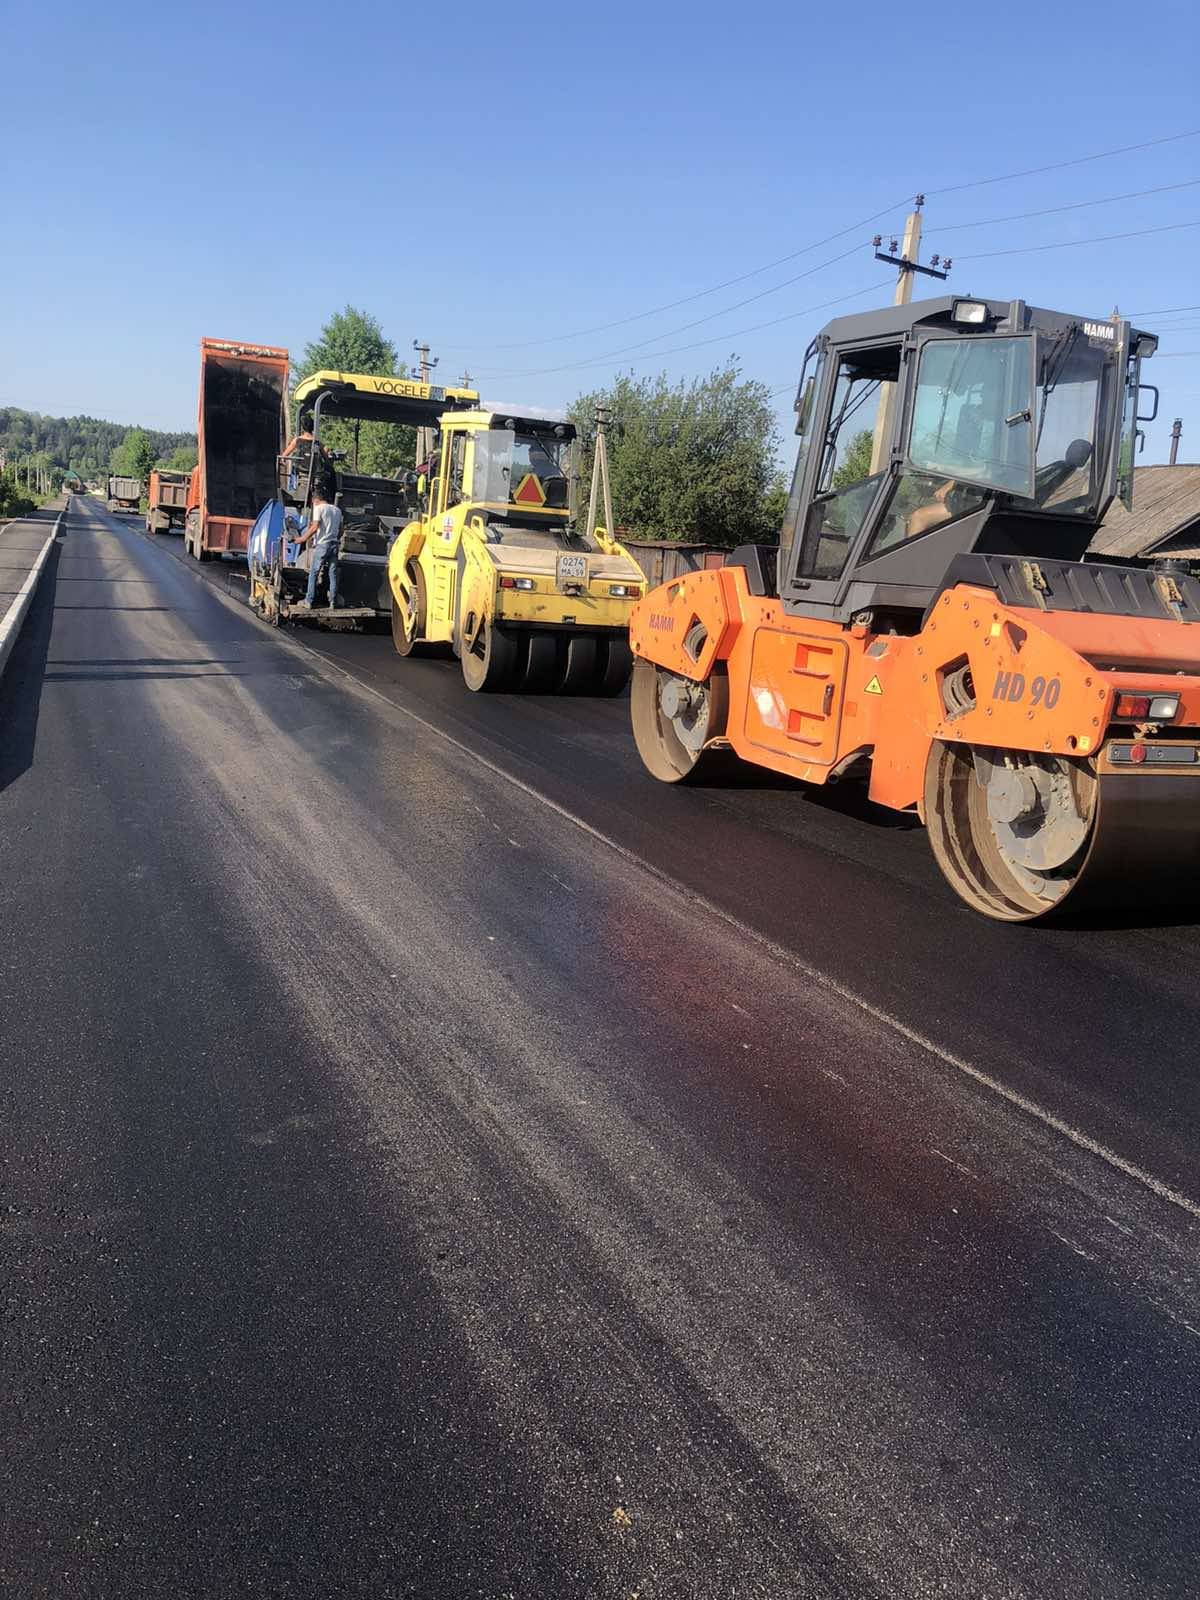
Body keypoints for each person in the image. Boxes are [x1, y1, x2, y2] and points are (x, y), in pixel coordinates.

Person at [294, 486, 344, 609]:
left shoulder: (318, 509)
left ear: (315, 500)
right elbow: (341, 530)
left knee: (314, 573)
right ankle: (333, 602)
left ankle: (309, 601)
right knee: (333, 574)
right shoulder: (337, 510)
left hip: (322, 545)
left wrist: (302, 539)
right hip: (334, 545)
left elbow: (315, 527)